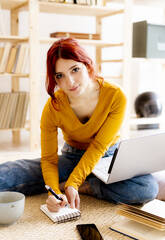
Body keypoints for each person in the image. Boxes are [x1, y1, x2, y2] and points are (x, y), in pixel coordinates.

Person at [0, 38, 159, 212]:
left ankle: (88, 187)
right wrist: (53, 192)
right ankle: (70, 184)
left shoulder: (115, 96)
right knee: (8, 174)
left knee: (147, 188)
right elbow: (49, 159)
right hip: (72, 157)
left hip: (107, 157)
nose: (70, 82)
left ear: (88, 66)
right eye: (60, 75)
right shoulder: (53, 107)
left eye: (75, 70)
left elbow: (99, 146)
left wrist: (74, 184)